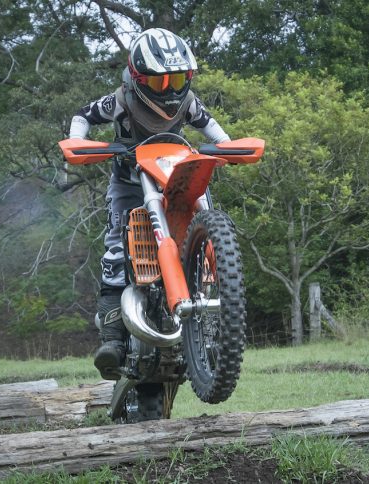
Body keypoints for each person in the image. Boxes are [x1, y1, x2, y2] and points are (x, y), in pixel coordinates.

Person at [68, 28, 230, 379]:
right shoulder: (121, 101)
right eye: (160, 82)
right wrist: (78, 141)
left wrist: (225, 145)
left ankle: (220, 308)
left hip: (176, 177)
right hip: (130, 182)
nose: (170, 90)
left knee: (211, 216)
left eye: (177, 80)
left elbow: (211, 125)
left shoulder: (188, 102)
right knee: (115, 248)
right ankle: (112, 338)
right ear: (139, 79)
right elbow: (83, 115)